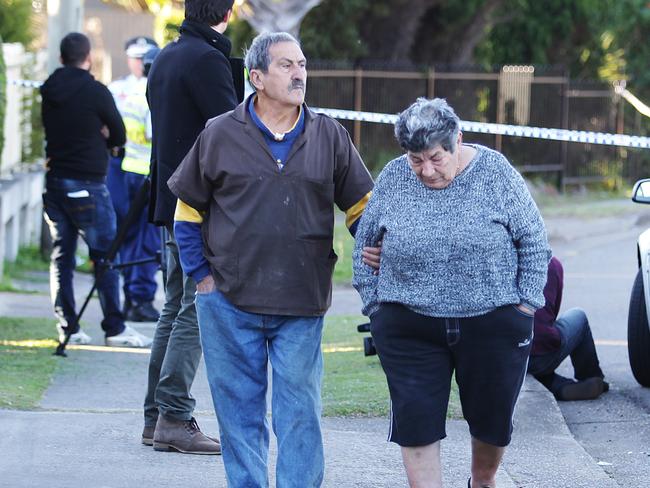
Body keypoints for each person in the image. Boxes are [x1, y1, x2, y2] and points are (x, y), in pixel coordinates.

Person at [167, 32, 374, 487]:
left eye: (301, 64)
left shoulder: (329, 135)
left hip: (301, 302)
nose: (299, 73)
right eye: (286, 65)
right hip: (228, 302)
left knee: (299, 415)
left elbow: (361, 207)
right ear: (256, 77)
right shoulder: (220, 133)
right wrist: (200, 276)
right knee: (239, 417)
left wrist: (377, 244)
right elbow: (187, 211)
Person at [352, 98, 551, 488]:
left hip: (492, 321)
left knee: (492, 421)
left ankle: (482, 480)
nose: (426, 170)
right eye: (416, 160)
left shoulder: (495, 173)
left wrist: (526, 305)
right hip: (409, 324)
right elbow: (365, 245)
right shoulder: (394, 177)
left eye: (436, 158)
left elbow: (533, 240)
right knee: (416, 420)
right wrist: (375, 306)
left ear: (457, 140)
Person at [142, 0, 238, 454]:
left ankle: (154, 416)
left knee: (174, 305)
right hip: (198, 201)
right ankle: (174, 416)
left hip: (168, 194)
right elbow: (232, 130)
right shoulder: (207, 60)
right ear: (229, 11)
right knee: (196, 305)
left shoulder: (167, 54)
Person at [41, 32, 152, 348]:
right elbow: (117, 132)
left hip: (55, 182)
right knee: (105, 256)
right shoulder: (96, 91)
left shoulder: (49, 89)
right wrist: (104, 137)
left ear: (62, 58)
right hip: (88, 183)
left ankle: (68, 326)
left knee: (62, 255)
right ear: (88, 57)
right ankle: (114, 327)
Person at [107, 36, 161, 323]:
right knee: (146, 241)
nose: (140, 63)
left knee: (124, 238)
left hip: (120, 169)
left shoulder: (116, 89)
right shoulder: (154, 90)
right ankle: (138, 299)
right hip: (144, 173)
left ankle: (127, 298)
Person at [527, 257, 608, 401]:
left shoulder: (497, 261)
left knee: (528, 363)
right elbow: (550, 315)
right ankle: (592, 376)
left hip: (505, 356)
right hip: (540, 354)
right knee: (578, 316)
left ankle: (560, 386)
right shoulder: (551, 263)